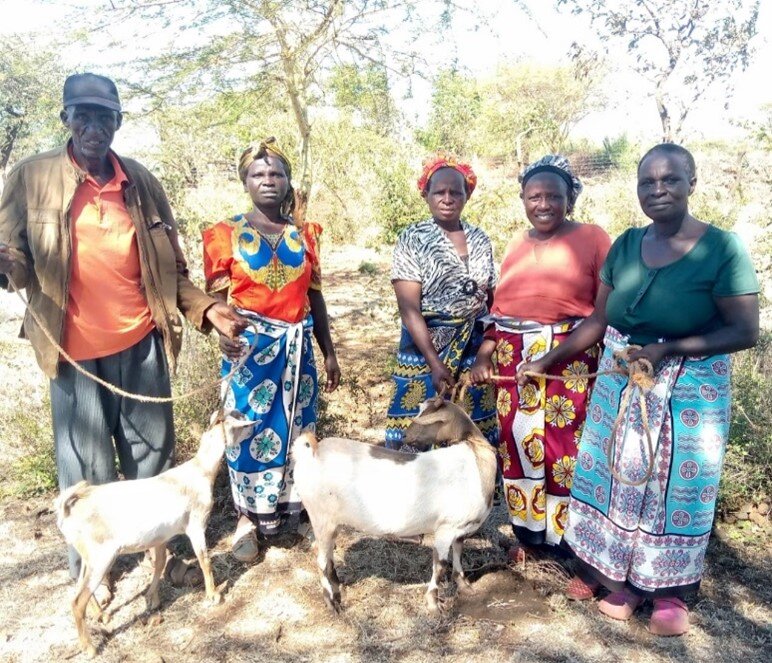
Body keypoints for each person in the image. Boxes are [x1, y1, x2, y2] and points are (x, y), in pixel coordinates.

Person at [0, 73, 246, 589]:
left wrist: (209, 312)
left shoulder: (142, 183)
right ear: (65, 118)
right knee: (85, 468)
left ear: (118, 122)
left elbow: (172, 271)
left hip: (142, 344)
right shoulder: (30, 177)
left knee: (153, 460)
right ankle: (92, 571)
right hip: (71, 351)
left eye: (104, 116)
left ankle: (161, 559)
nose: (94, 127)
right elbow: (15, 259)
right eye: (83, 115)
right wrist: (6, 266)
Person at [517, 144, 759, 636]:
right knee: (616, 476)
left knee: (674, 486)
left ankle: (668, 591)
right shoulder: (627, 245)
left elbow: (744, 331)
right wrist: (547, 361)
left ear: (692, 182)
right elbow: (600, 319)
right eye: (647, 182)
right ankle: (615, 578)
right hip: (622, 376)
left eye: (670, 179)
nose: (658, 190)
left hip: (691, 384)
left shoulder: (722, 249)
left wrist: (670, 350)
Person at [203, 138, 340, 562]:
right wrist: (222, 334)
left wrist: (329, 351)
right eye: (258, 174)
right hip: (250, 351)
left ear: (288, 181)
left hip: (298, 350)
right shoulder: (224, 234)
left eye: (276, 174)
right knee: (248, 428)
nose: (268, 181)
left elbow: (314, 299)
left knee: (298, 427)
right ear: (244, 180)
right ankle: (248, 518)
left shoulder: (305, 235)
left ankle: (291, 511)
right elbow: (219, 302)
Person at [471, 155, 610, 561]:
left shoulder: (593, 237)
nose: (544, 203)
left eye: (554, 195)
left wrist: (549, 358)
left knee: (565, 449)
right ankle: (529, 537)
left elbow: (603, 313)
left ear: (570, 199)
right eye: (535, 196)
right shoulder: (516, 243)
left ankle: (569, 543)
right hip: (513, 361)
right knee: (518, 445)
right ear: (523, 198)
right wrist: (484, 355)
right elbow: (500, 313)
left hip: (569, 357)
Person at [386, 151, 498, 449]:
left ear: (467, 195)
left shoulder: (480, 238)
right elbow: (409, 310)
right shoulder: (413, 238)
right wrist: (435, 364)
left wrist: (486, 351)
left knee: (472, 431)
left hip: (474, 347)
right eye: (439, 192)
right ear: (426, 195)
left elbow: (493, 301)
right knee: (418, 426)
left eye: (455, 192)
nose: (447, 198)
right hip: (424, 349)